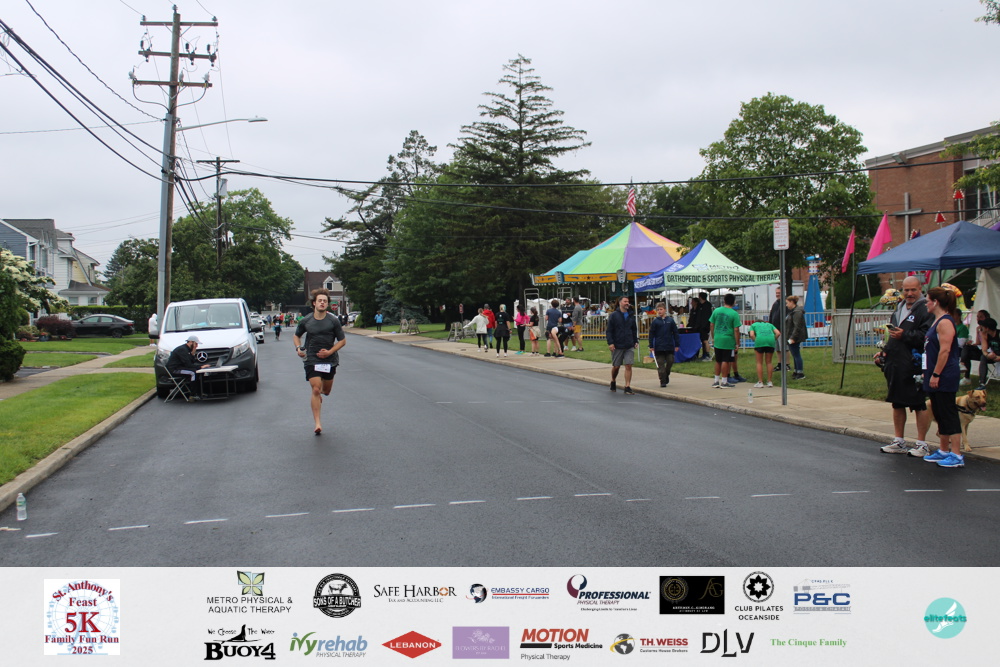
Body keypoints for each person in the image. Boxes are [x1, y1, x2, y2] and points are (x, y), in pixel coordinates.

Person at [877, 276, 933, 456]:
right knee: (897, 402)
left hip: (914, 363)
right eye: (906, 290)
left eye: (913, 290)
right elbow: (893, 334)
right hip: (895, 362)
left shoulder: (925, 309)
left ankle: (922, 444)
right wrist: (884, 352)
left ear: (920, 289)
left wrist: (906, 335)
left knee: (918, 403)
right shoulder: (899, 308)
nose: (909, 294)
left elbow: (927, 336)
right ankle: (899, 441)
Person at [921, 286, 965, 467]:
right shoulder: (936, 320)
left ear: (936, 302)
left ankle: (956, 454)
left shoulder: (945, 322)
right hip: (933, 372)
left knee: (948, 412)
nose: (926, 304)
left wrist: (936, 373)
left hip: (945, 374)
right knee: (939, 412)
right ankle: (943, 449)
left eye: (928, 301)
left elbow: (945, 351)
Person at [293, 287, 347, 436]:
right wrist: (298, 348)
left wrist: (330, 351)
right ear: (314, 303)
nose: (322, 303)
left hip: (329, 360)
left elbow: (342, 341)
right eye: (319, 301)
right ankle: (317, 423)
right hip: (312, 358)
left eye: (324, 301)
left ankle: (319, 394)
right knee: (316, 389)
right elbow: (296, 336)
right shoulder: (306, 320)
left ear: (327, 304)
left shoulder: (333, 321)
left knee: (326, 391)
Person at [606, 295, 639, 394]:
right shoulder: (614, 315)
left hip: (629, 344)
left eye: (627, 301)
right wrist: (611, 343)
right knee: (616, 366)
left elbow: (634, 329)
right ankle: (613, 380)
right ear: (620, 302)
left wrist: (635, 341)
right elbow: (609, 331)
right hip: (617, 344)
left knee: (628, 365)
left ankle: (627, 386)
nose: (627, 303)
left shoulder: (631, 315)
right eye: (625, 301)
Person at [708, 293, 741, 388]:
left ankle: (716, 380)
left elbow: (711, 324)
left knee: (718, 360)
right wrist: (737, 343)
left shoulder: (716, 311)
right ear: (734, 302)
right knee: (725, 360)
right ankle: (724, 381)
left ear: (724, 301)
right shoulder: (734, 314)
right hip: (728, 339)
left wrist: (713, 337)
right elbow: (736, 329)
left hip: (718, 337)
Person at [648, 302, 680, 387]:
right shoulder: (655, 322)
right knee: (660, 364)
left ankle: (666, 374)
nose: (659, 311)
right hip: (659, 346)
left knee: (670, 361)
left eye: (661, 309)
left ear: (665, 310)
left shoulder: (670, 320)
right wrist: (651, 345)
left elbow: (675, 332)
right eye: (658, 310)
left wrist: (677, 344)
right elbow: (651, 334)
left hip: (669, 345)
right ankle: (662, 380)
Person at [748, 316, 780, 388]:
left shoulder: (753, 325)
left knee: (759, 362)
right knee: (769, 362)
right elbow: (778, 333)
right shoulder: (770, 325)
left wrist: (755, 340)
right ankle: (769, 381)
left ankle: (760, 382)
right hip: (770, 341)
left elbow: (752, 335)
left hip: (760, 341)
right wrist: (774, 339)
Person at [960, 309, 990, 386]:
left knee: (983, 357)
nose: (978, 319)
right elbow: (978, 343)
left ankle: (982, 382)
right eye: (977, 317)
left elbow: (987, 344)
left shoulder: (988, 329)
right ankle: (964, 370)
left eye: (981, 317)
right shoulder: (978, 328)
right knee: (966, 348)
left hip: (987, 351)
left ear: (986, 318)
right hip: (980, 349)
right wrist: (971, 344)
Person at [784, 295, 808, 380]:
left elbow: (797, 326)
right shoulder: (793, 311)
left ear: (792, 302)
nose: (786, 305)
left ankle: (800, 373)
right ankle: (796, 371)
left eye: (787, 303)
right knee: (794, 354)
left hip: (794, 336)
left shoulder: (797, 312)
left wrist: (793, 337)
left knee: (796, 354)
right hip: (791, 335)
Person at [769, 286, 789, 372]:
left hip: (782, 329)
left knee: (784, 348)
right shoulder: (775, 303)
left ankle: (787, 364)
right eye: (776, 293)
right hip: (775, 329)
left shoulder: (785, 303)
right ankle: (780, 363)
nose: (777, 294)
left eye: (779, 293)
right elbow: (771, 315)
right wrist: (770, 325)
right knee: (777, 348)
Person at [689, 292, 714, 361]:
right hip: (699, 327)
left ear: (700, 297)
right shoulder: (700, 306)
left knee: (705, 340)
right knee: (701, 340)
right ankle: (703, 354)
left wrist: (704, 326)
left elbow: (706, 317)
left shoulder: (707, 305)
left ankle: (707, 354)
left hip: (704, 327)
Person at [977, 317, 1000, 389]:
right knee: (983, 357)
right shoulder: (985, 335)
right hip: (995, 355)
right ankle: (982, 383)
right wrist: (987, 355)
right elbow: (984, 350)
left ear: (987, 328)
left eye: (982, 326)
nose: (981, 328)